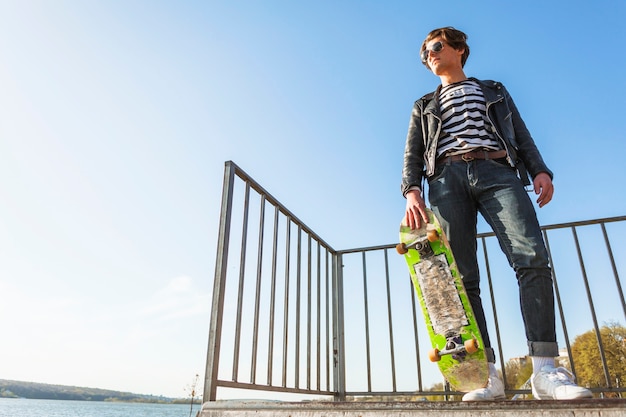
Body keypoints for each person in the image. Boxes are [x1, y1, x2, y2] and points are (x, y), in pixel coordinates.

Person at [401, 26, 592, 401]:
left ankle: (545, 371)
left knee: (532, 258)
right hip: (445, 180)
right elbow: (412, 152)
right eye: (425, 53)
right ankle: (486, 376)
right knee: (462, 278)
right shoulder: (424, 104)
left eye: (436, 47)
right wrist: (411, 191)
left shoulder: (494, 90)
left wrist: (539, 169)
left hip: (498, 171)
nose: (430, 56)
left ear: (459, 49)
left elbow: (520, 133)